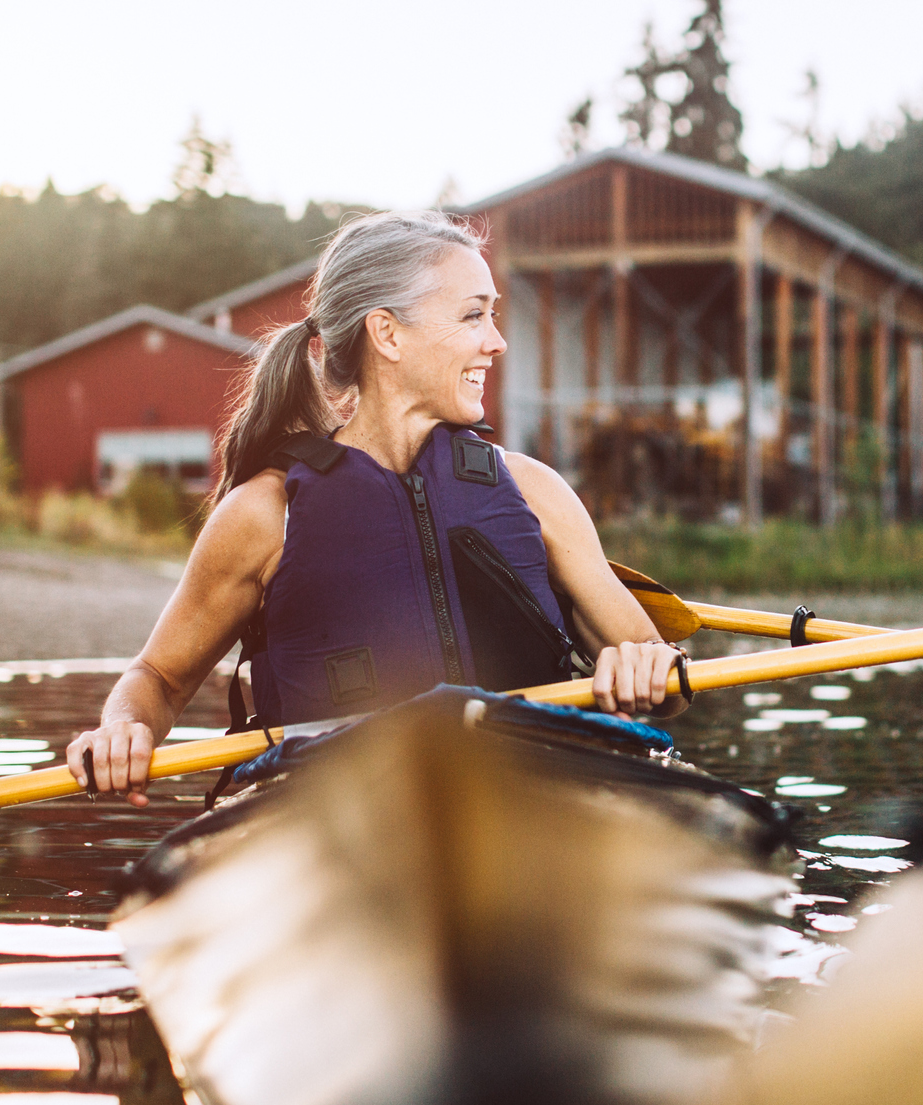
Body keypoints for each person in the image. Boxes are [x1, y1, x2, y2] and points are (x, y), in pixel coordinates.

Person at [68, 210, 685, 806]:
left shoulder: (534, 492)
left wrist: (648, 667)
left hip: (527, 800)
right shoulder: (264, 514)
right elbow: (159, 679)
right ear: (387, 333)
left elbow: (671, 685)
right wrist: (124, 727)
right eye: (473, 315)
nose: (495, 342)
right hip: (339, 816)